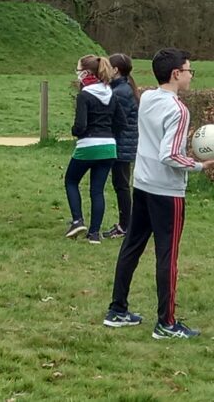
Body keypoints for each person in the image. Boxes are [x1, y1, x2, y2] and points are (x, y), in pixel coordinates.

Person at [105, 48, 214, 338]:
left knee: (131, 246)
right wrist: (199, 165)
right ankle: (166, 323)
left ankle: (117, 310)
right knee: (168, 255)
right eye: (189, 70)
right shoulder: (179, 110)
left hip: (142, 184)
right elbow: (169, 155)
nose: (191, 75)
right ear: (176, 73)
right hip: (167, 191)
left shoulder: (149, 97)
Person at [64, 55, 125, 243]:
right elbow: (122, 122)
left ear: (86, 72)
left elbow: (80, 126)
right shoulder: (111, 93)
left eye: (78, 69)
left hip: (88, 145)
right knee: (97, 190)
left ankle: (77, 220)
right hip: (109, 147)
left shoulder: (84, 95)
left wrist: (75, 131)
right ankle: (94, 234)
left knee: (71, 181)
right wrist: (108, 134)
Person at [104, 53, 139, 239]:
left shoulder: (121, 92)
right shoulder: (122, 88)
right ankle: (127, 224)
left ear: (116, 70)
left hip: (122, 144)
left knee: (122, 185)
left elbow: (118, 121)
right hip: (123, 143)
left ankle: (126, 225)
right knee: (121, 184)